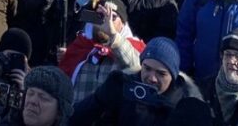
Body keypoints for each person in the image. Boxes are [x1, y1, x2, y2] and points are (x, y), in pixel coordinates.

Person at [69, 36, 204, 126]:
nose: (152, 78)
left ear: (173, 76)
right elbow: (75, 119)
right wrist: (100, 98)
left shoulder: (186, 103)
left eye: (161, 73)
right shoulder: (124, 87)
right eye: (147, 68)